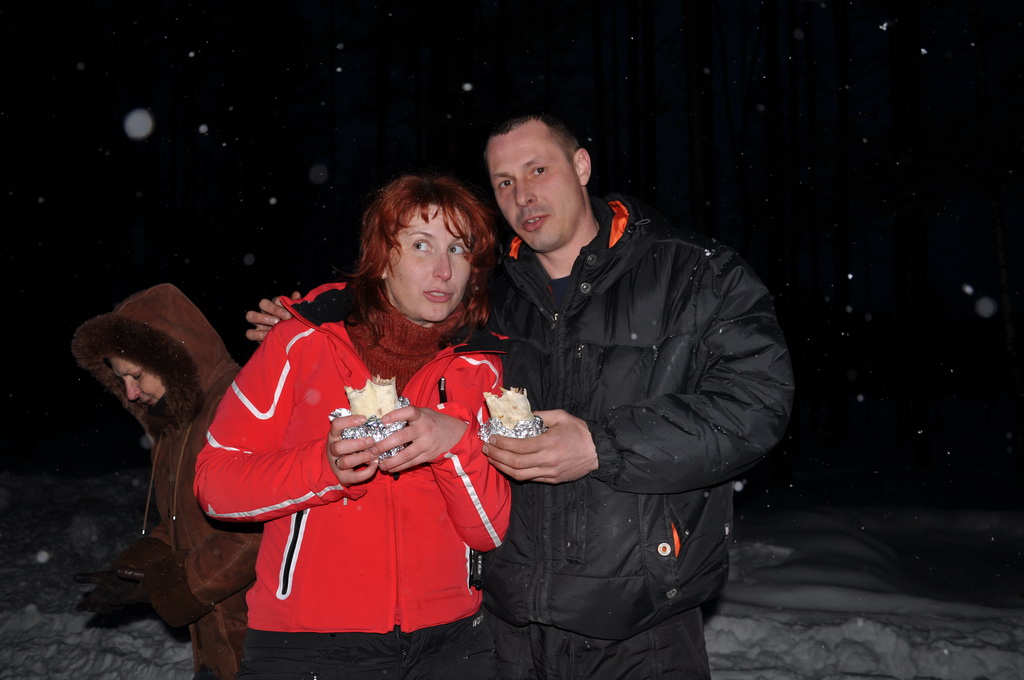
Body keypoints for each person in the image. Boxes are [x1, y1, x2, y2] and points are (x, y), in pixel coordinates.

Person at [245, 115, 795, 679]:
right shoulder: (493, 296)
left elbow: (757, 405)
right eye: (504, 181)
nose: (522, 195)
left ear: (581, 166)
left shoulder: (694, 273)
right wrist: (309, 317)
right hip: (507, 628)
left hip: (641, 626)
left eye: (538, 170)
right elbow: (397, 297)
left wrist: (601, 444)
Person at [194, 172, 511, 679]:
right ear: (382, 259)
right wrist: (324, 468)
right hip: (308, 645)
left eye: (458, 250)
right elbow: (215, 484)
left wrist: (455, 444)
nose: (443, 269)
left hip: (452, 642)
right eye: (421, 245)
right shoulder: (300, 343)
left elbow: (488, 530)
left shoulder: (481, 365)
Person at [71, 283, 261, 680]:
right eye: (120, 379)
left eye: (136, 375)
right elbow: (186, 519)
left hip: (261, 640)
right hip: (217, 640)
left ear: (172, 356)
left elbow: (253, 536)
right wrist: (133, 571)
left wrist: (171, 586)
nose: (130, 393)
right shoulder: (175, 424)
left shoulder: (235, 406)